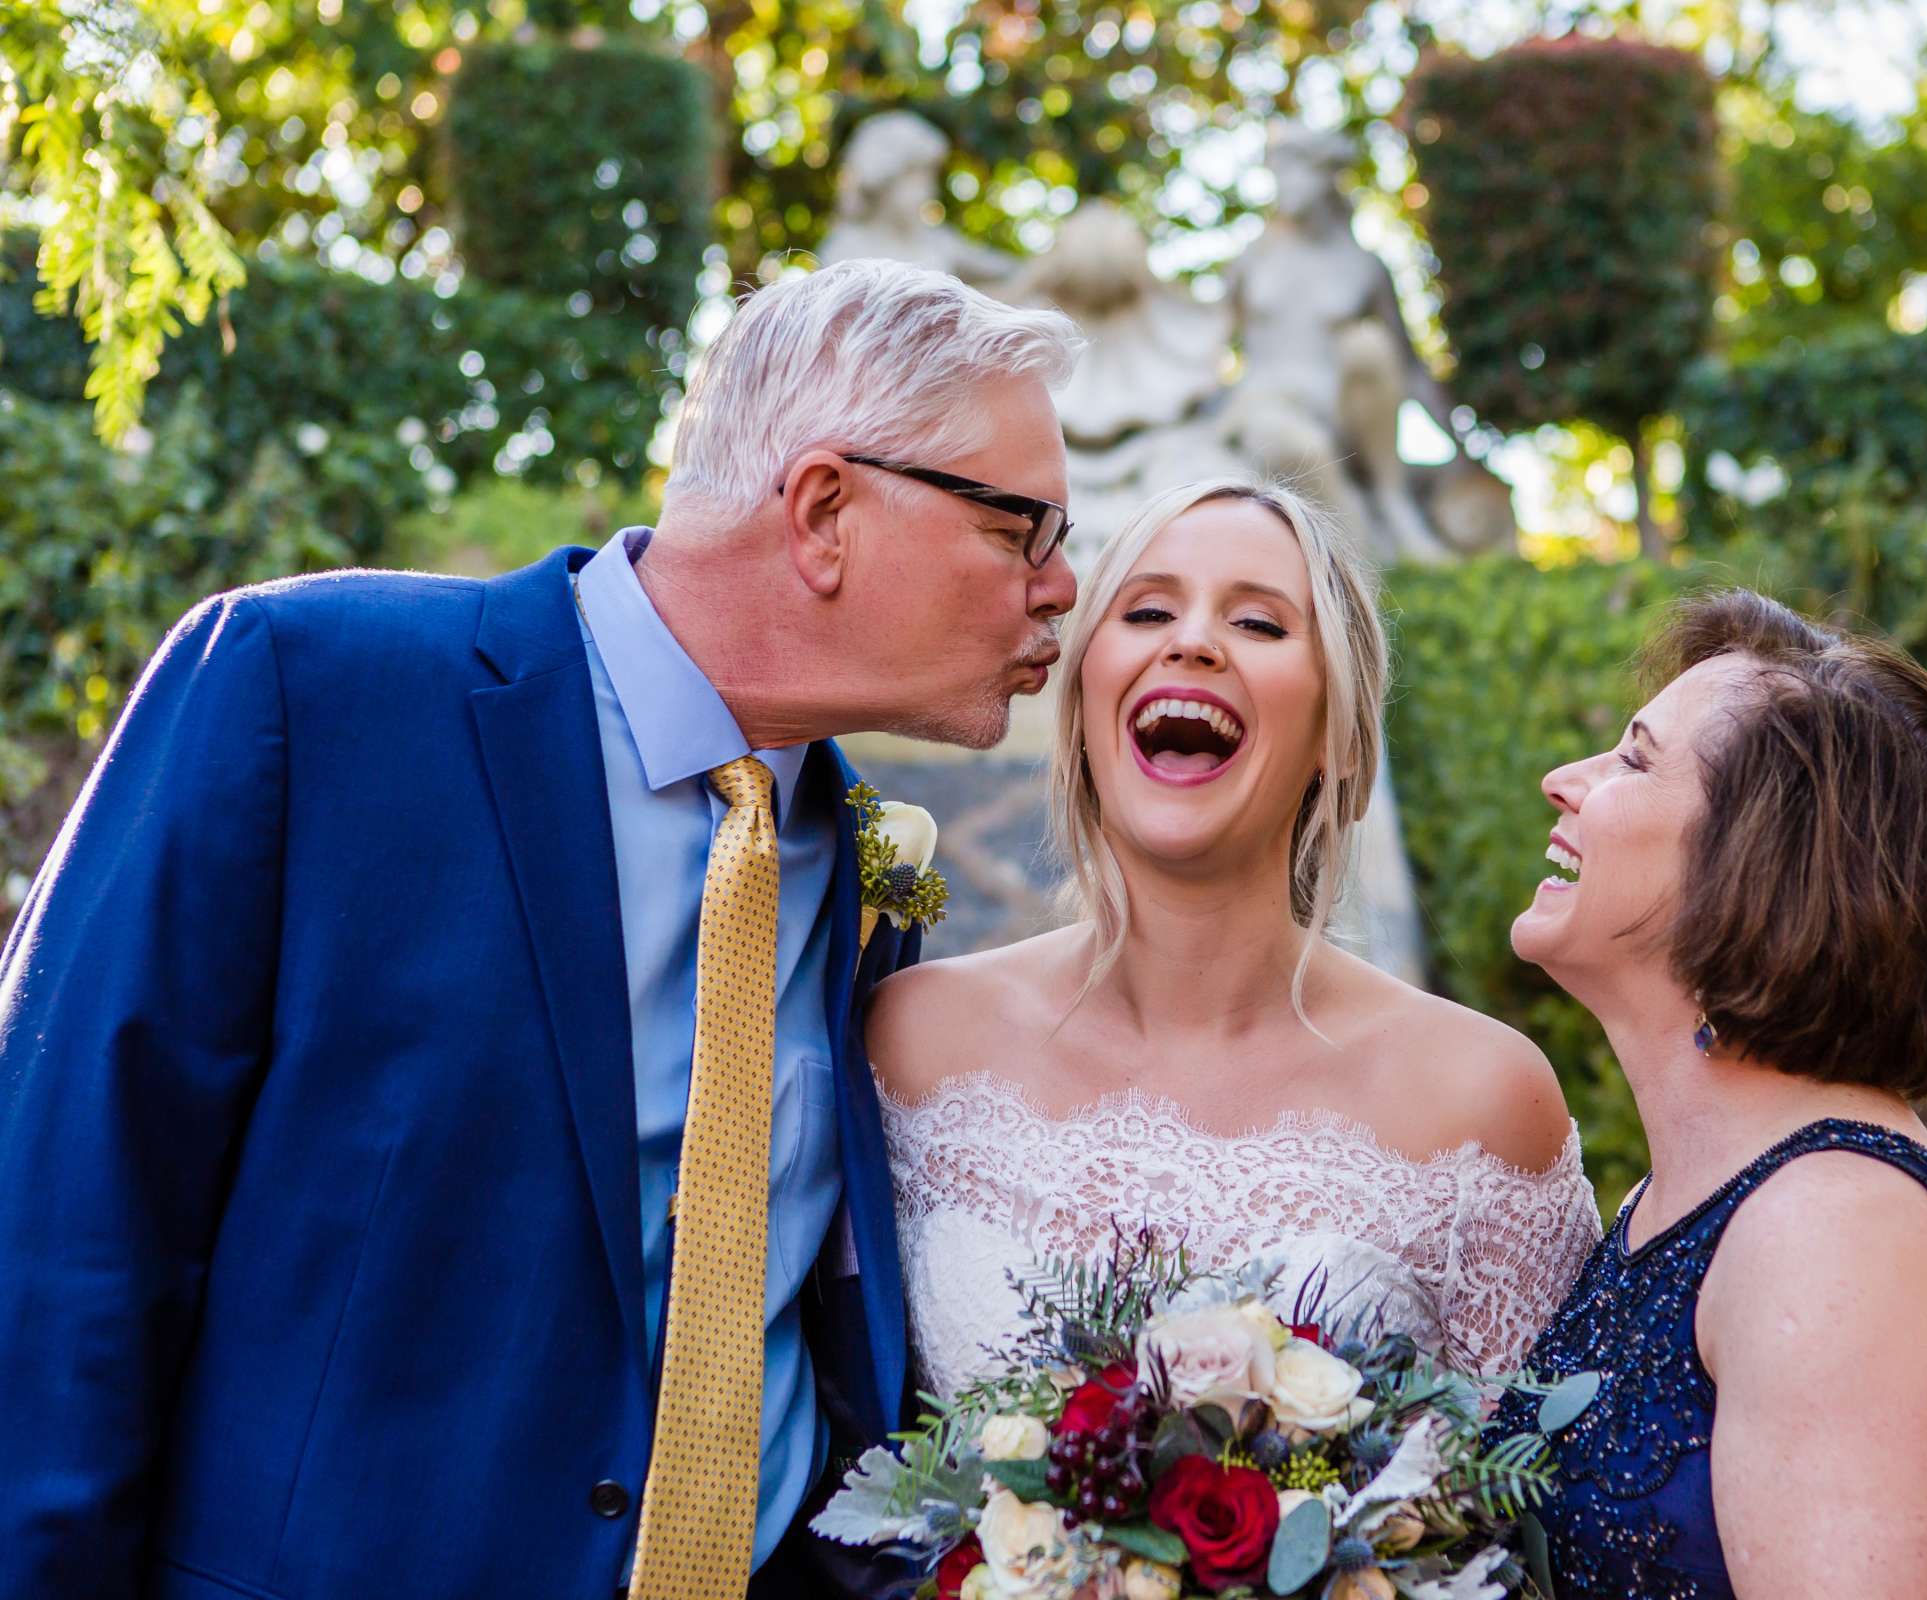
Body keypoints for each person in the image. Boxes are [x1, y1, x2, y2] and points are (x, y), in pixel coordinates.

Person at [0, 259, 1078, 1599]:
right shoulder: (309, 694)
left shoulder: (865, 872)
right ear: (824, 511)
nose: (1063, 586)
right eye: (1022, 530)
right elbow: (56, 1243)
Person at [866, 478, 1600, 1398]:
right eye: (1147, 610)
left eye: (1258, 625)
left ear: (1336, 735)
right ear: (1085, 700)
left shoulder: (1482, 1103)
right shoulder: (911, 1041)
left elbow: (1535, 1514)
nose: (1193, 641)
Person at [1489, 589, 1927, 1599]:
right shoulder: (1697, 1199)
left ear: (1761, 856)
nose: (1562, 781)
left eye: (1631, 759)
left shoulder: (1834, 1230)